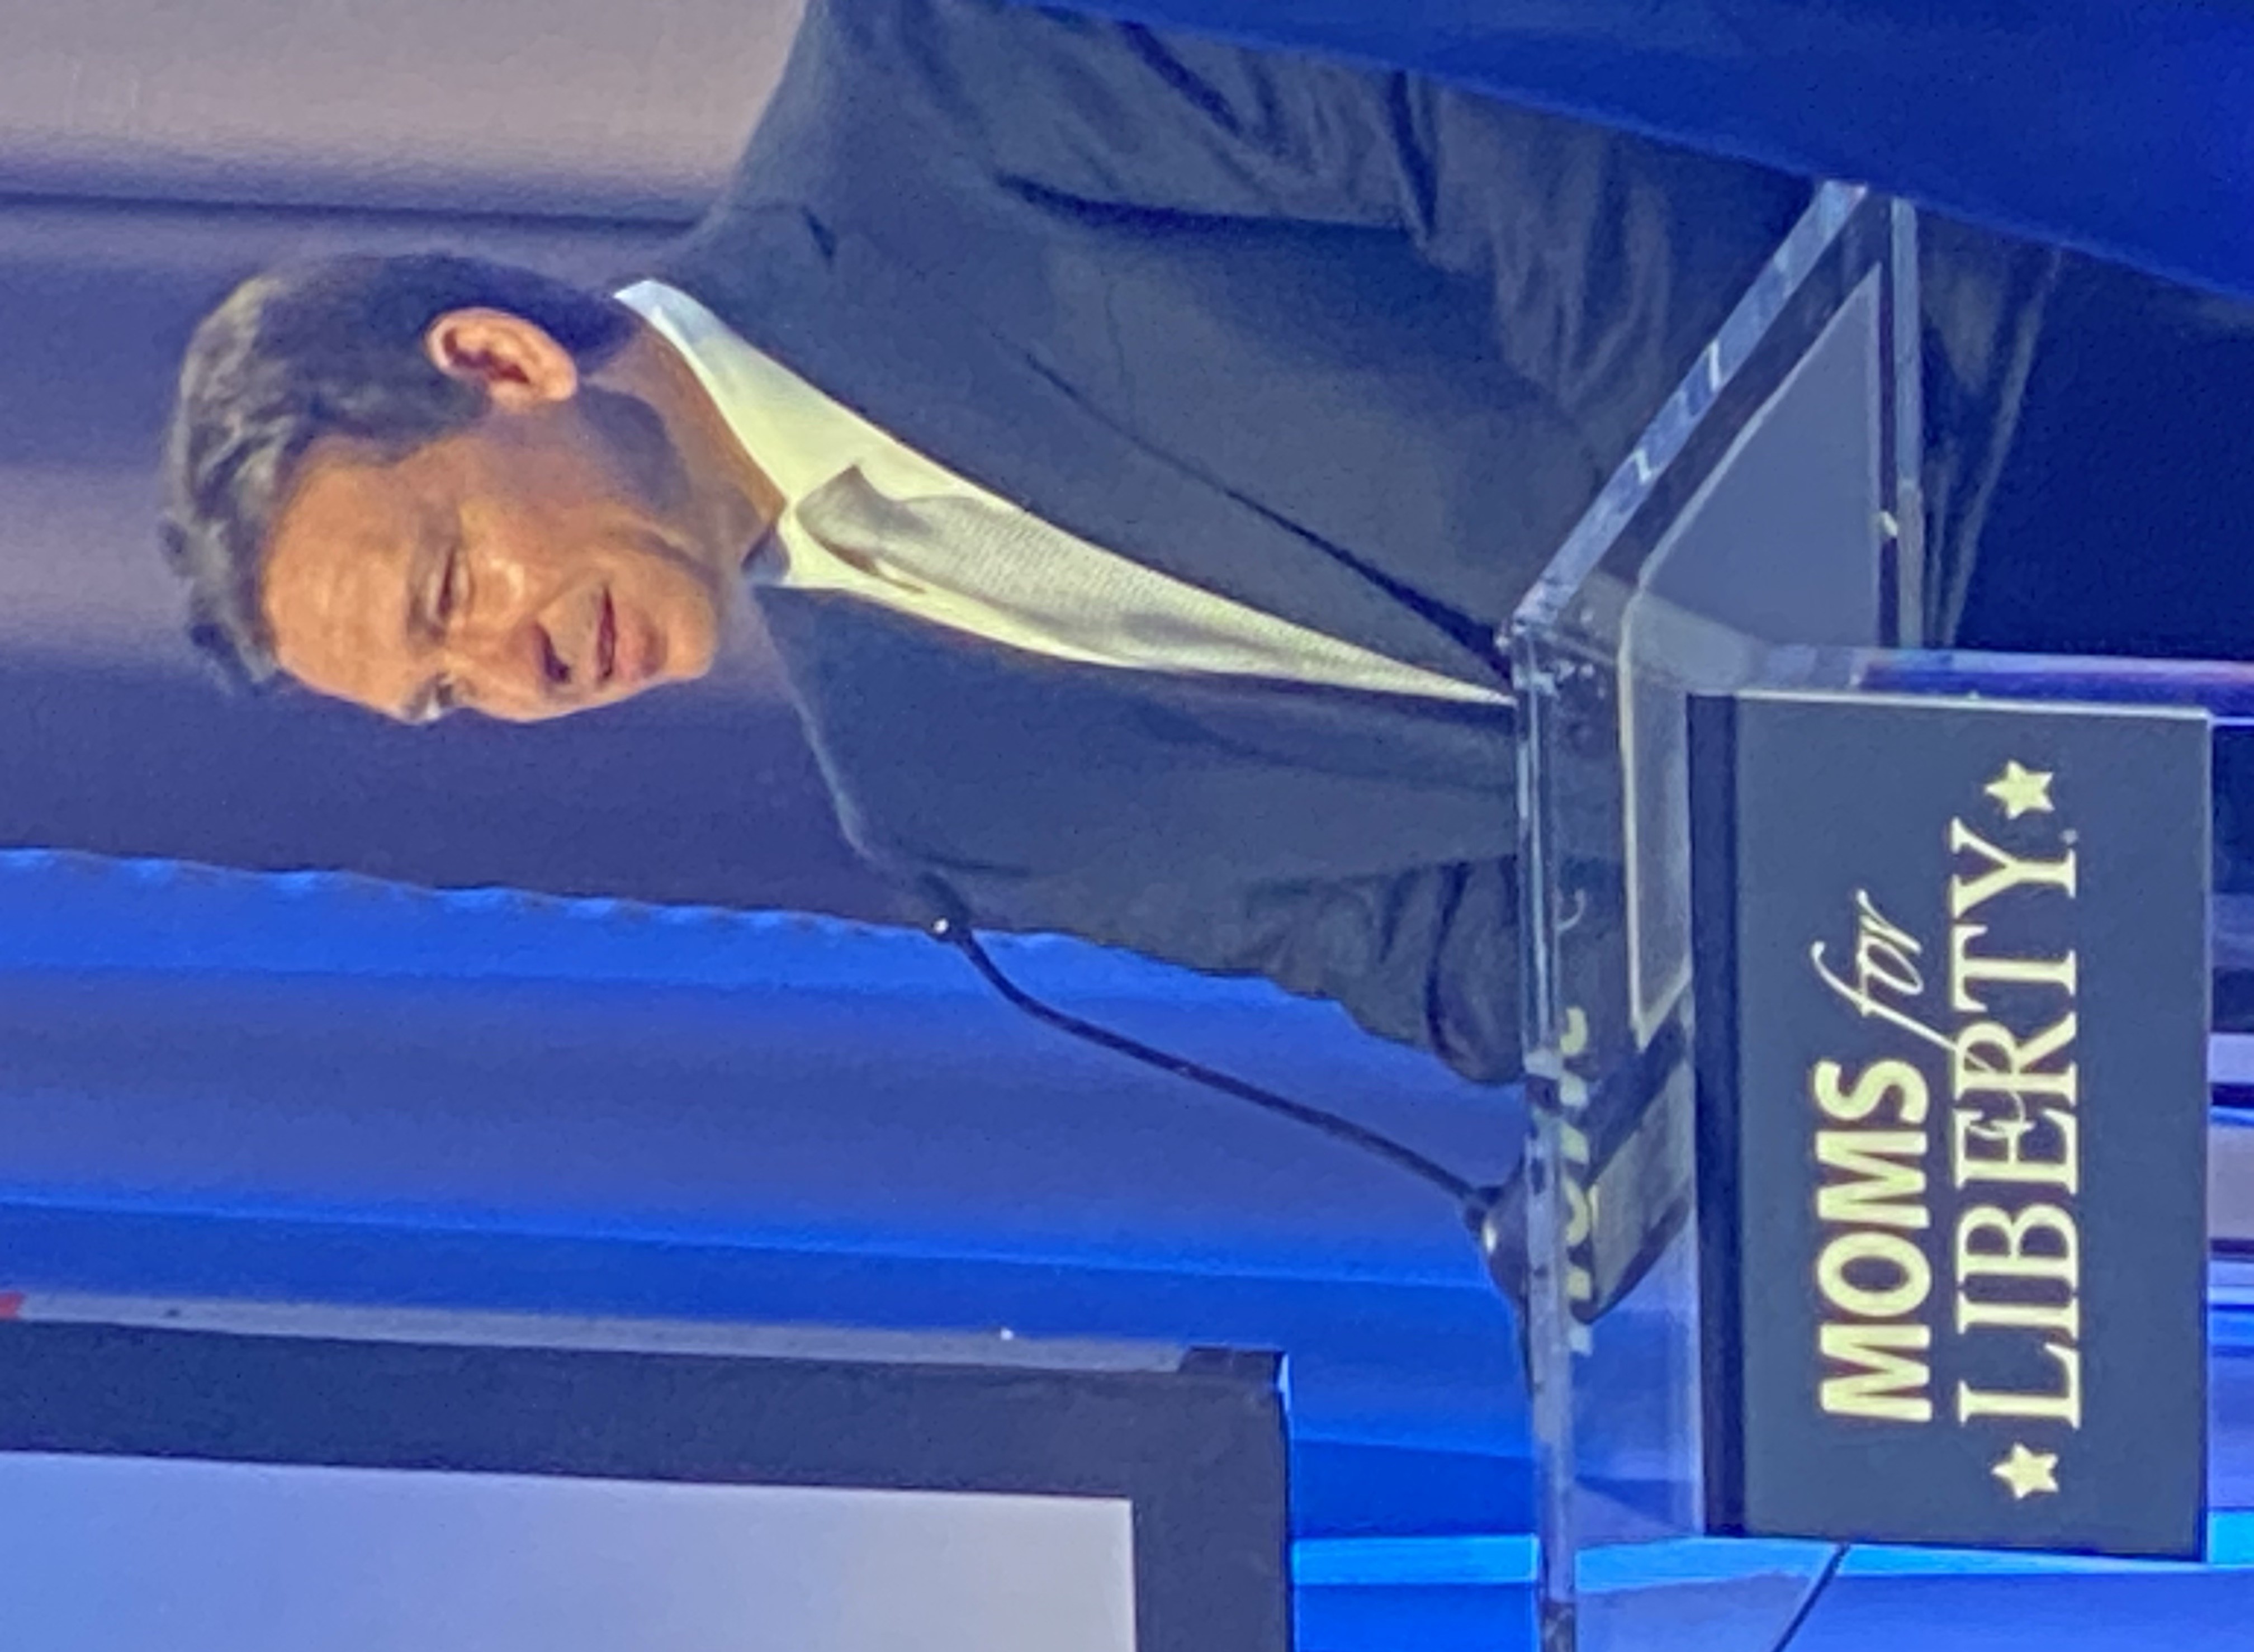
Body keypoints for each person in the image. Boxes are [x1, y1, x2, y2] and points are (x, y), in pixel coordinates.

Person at [156, 0, 2148, 1084]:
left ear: (498, 361)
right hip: (2036, 899)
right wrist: (1802, 951)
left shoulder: (940, 82)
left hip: (2058, 399)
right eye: (444, 696)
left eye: (449, 595)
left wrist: (1782, 624)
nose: (509, 678)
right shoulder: (937, 799)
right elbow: (1460, 967)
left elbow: (1512, 138)